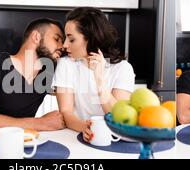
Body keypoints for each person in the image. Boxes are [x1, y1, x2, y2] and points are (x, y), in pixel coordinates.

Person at [52, 7, 135, 143]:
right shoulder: (66, 65)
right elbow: (66, 113)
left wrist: (99, 78)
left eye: (71, 40)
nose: (65, 45)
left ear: (91, 39)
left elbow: (119, 119)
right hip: (77, 138)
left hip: (115, 140)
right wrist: (86, 128)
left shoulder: (123, 69)